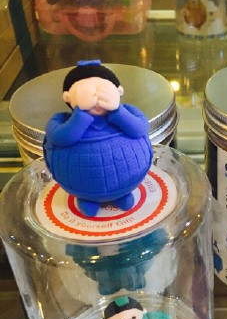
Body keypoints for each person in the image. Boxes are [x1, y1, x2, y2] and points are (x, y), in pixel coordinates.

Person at [44, 59, 153, 217]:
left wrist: (117, 111)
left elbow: (140, 129)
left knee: (124, 195)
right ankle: (87, 200)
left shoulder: (127, 111)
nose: (95, 98)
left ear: (118, 91)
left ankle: (122, 195)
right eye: (85, 91)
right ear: (67, 97)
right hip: (81, 186)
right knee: (87, 203)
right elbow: (61, 138)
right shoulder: (62, 119)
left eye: (102, 90)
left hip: (128, 182)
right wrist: (81, 114)